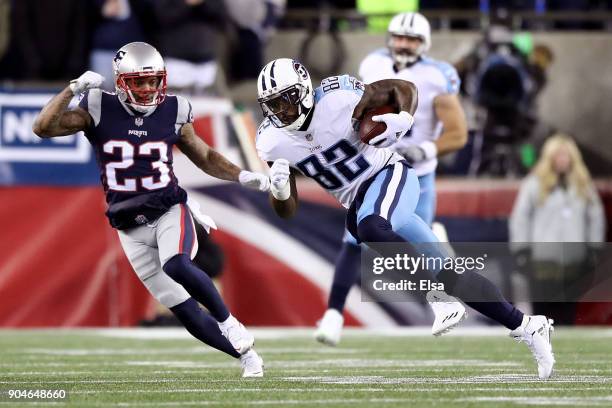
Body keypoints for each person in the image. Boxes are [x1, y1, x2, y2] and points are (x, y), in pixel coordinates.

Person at [255, 57, 555, 379]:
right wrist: (282, 189)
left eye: (284, 100)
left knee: (369, 228)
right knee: (448, 274)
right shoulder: (272, 140)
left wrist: (402, 119)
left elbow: (404, 88)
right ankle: (527, 325)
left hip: (389, 175)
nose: (279, 111)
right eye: (271, 104)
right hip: (361, 201)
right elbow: (287, 211)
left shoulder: (338, 95)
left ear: (302, 91)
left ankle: (436, 295)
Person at [32, 42, 266, 377]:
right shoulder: (98, 105)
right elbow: (43, 128)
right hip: (128, 225)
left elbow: (204, 155)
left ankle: (229, 322)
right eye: (139, 82)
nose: (148, 89)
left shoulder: (174, 109)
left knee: (177, 264)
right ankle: (247, 357)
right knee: (184, 310)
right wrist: (71, 89)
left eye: (153, 81)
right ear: (121, 81)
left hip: (169, 207)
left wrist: (243, 176)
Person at [313, 12, 470, 346]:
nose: (404, 44)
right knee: (353, 239)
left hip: (416, 175)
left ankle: (454, 302)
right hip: (376, 168)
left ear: (423, 43)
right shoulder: (372, 65)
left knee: (420, 245)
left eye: (411, 39)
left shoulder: (437, 76)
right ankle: (333, 314)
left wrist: (426, 150)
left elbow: (458, 134)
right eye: (399, 37)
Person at [510, 134, 605, 324]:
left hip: (573, 259)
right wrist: (521, 249)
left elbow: (595, 217)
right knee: (542, 313)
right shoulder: (534, 183)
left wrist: (594, 247)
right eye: (558, 155)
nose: (562, 160)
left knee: (567, 311)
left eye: (565, 155)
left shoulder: (583, 185)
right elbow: (520, 218)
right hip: (542, 259)